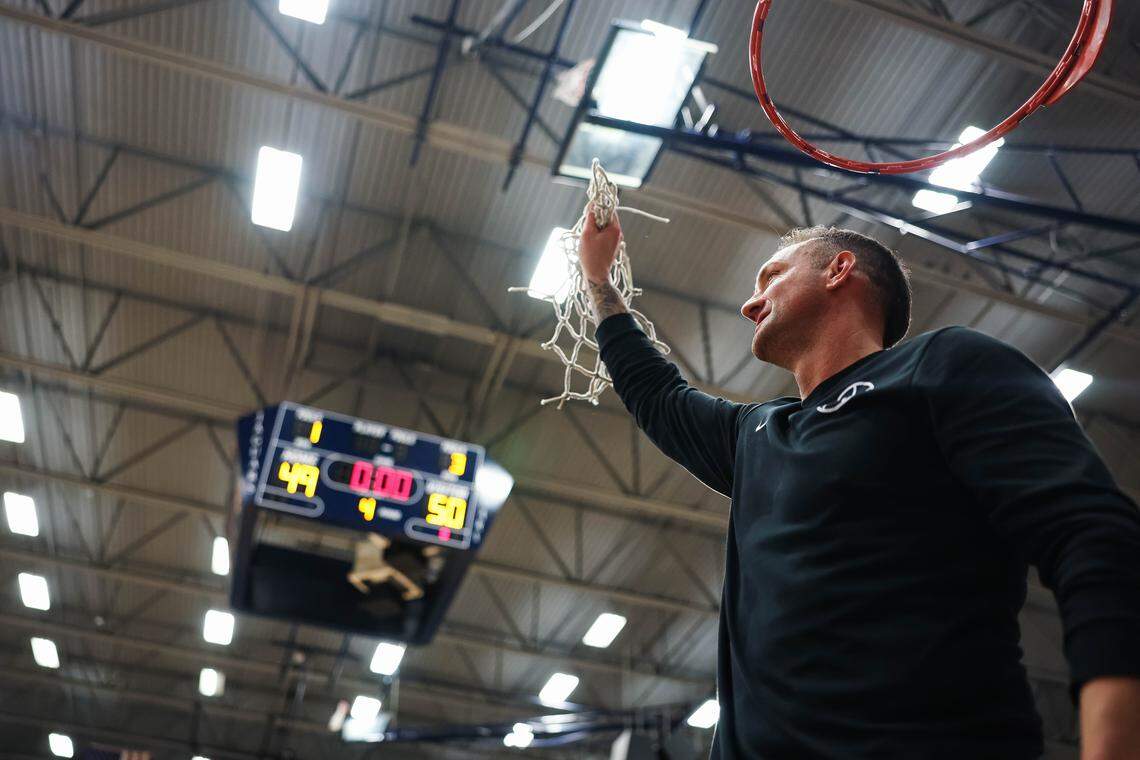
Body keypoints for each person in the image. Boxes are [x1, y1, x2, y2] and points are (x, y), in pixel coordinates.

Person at [579, 209, 1140, 759]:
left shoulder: (940, 364)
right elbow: (658, 396)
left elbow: (1089, 531)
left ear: (839, 269)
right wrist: (599, 281)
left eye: (771, 275)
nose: (751, 303)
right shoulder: (758, 434)